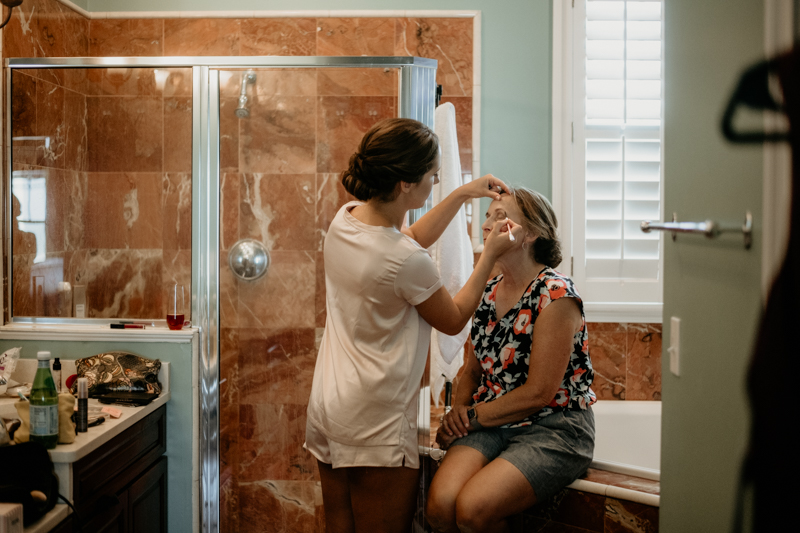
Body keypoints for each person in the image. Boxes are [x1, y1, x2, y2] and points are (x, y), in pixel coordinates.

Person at [305, 117, 523, 533]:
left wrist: (461, 194)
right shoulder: (405, 262)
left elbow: (407, 241)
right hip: (376, 416)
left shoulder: (347, 219)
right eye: (433, 177)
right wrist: (489, 255)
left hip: (331, 404)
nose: (435, 182)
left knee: (339, 524)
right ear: (406, 184)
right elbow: (454, 317)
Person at [426, 187, 596, 533]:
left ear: (529, 234)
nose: (487, 225)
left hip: (554, 427)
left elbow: (538, 393)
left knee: (473, 510)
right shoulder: (489, 292)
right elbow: (472, 370)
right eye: (487, 216)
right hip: (494, 423)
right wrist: (457, 412)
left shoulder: (555, 294)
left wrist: (470, 418)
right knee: (440, 507)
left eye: (500, 216)